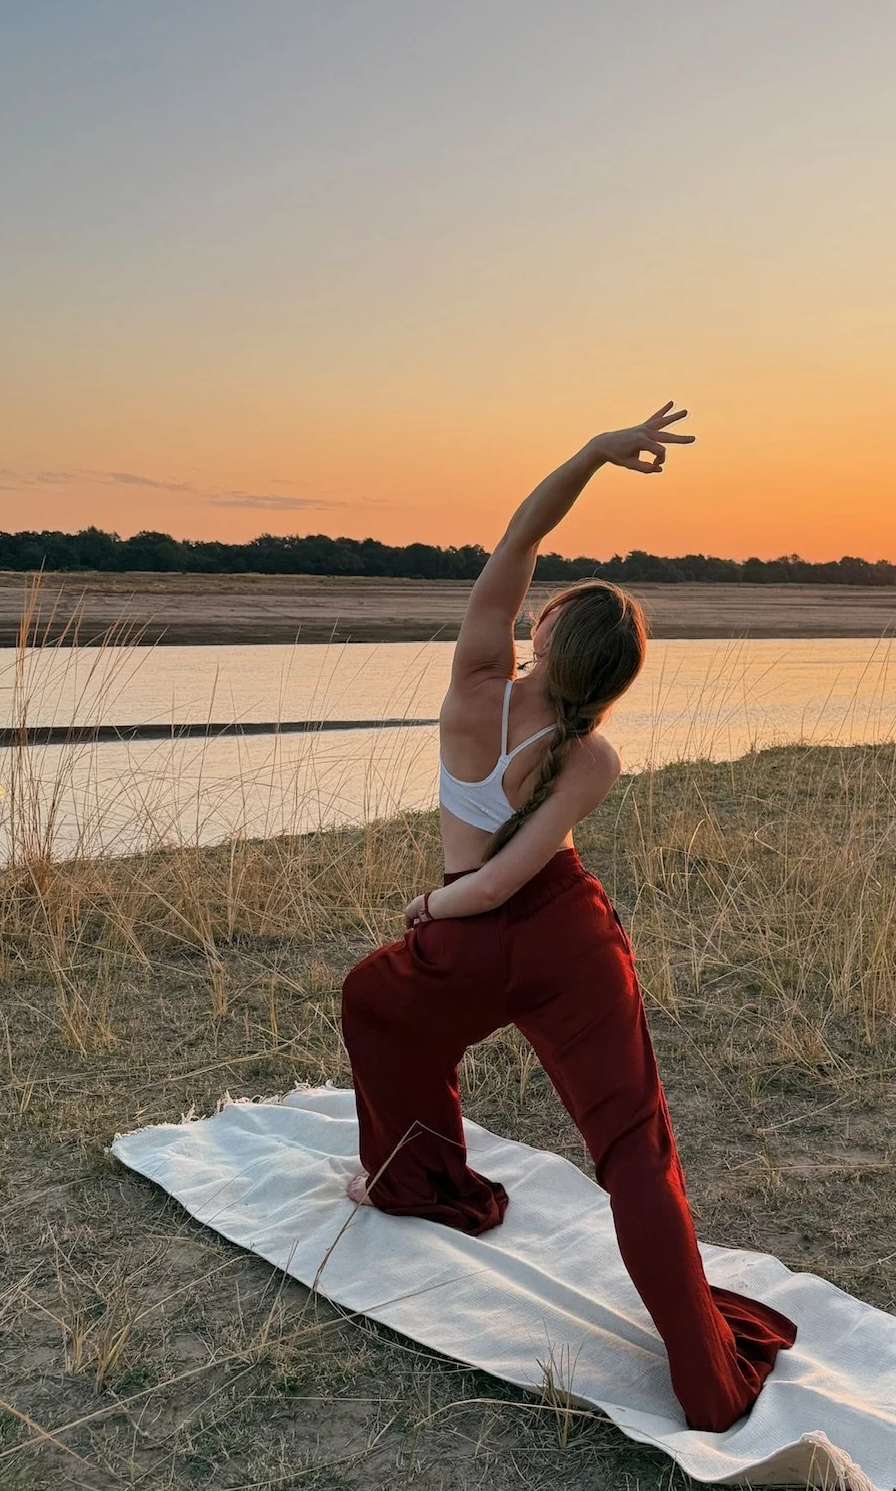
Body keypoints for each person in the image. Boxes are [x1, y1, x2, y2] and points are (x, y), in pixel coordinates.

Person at [341, 404, 796, 1432]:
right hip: (568, 937)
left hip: (471, 929)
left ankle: (416, 1179)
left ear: (544, 633)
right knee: (633, 1145)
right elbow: (525, 878)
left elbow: (517, 537)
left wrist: (593, 452)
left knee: (377, 999)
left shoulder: (476, 686)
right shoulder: (591, 755)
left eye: (549, 606)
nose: (535, 601)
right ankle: (706, 1373)